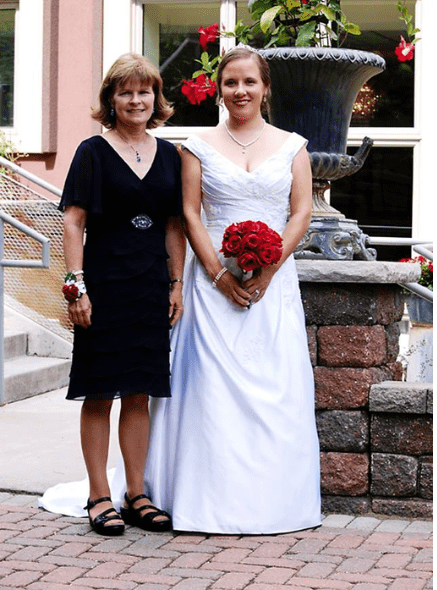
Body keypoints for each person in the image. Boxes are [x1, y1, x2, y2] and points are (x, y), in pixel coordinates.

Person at [143, 46, 321, 533]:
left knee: (276, 389)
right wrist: (219, 276)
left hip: (273, 286)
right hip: (211, 285)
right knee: (210, 395)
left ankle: (274, 502)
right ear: (219, 90)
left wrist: (269, 267)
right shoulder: (196, 145)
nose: (239, 91)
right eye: (229, 83)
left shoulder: (292, 145)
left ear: (265, 89)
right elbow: (189, 213)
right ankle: (203, 499)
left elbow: (301, 211)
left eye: (249, 82)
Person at [45, 53, 184, 535]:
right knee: (100, 390)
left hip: (149, 285)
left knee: (140, 393)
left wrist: (177, 284)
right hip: (102, 285)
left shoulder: (170, 156)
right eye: (125, 92)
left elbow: (174, 225)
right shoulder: (92, 152)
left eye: (144, 91)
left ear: (156, 98)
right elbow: (72, 221)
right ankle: (98, 495)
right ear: (111, 99)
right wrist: (75, 287)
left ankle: (137, 492)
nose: (135, 99)